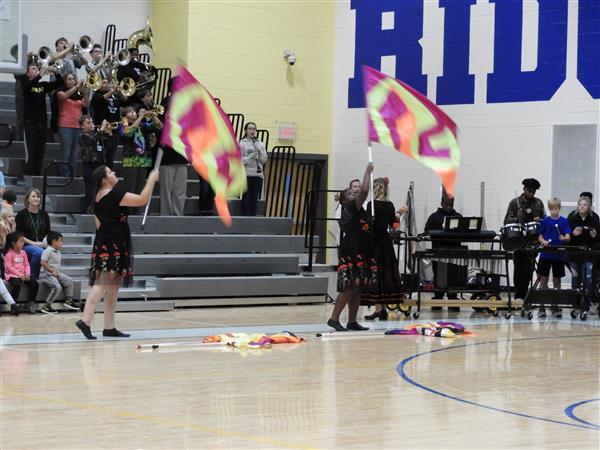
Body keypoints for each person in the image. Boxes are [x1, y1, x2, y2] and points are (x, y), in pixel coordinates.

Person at [75, 165, 159, 340]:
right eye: (111, 172)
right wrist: (151, 180)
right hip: (113, 243)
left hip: (105, 241)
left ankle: (109, 327)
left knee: (113, 287)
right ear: (105, 179)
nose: (114, 173)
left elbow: (98, 223)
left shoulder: (97, 197)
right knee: (101, 285)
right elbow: (143, 199)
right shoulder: (114, 195)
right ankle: (85, 321)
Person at [327, 163, 375, 332]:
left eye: (352, 191)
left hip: (361, 248)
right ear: (344, 199)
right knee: (349, 287)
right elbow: (364, 191)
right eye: (349, 192)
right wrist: (367, 172)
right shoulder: (350, 207)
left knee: (358, 286)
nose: (353, 192)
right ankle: (333, 319)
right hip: (352, 249)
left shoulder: (357, 207)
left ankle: (352, 321)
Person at [363, 178, 406, 320]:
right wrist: (399, 214)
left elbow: (368, 225)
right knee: (383, 273)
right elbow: (393, 225)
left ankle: (379, 309)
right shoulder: (389, 205)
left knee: (375, 273)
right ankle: (380, 310)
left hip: (374, 242)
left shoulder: (371, 205)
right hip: (385, 242)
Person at [504, 178, 546, 300]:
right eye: (529, 190)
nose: (532, 193)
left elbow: (544, 218)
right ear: (524, 189)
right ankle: (518, 295)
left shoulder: (538, 203)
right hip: (518, 241)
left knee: (529, 269)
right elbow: (506, 220)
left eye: (534, 191)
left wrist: (539, 220)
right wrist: (517, 218)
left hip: (532, 241)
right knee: (519, 270)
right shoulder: (514, 202)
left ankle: (526, 295)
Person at [20, 63, 63, 175]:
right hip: (30, 124)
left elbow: (60, 83)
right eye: (33, 68)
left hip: (42, 124)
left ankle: (36, 178)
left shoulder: (42, 85)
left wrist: (56, 72)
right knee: (31, 153)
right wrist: (41, 74)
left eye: (37, 68)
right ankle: (28, 177)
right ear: (28, 73)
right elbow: (29, 87)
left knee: (40, 153)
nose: (37, 70)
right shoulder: (25, 84)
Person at [424, 192, 463, 312]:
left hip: (454, 252)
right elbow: (427, 231)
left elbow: (463, 232)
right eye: (447, 204)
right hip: (438, 251)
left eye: (451, 204)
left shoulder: (458, 216)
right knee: (438, 274)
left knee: (454, 276)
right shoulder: (434, 217)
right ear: (441, 204)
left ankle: (453, 298)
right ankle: (438, 298)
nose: (449, 207)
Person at [158, 79, 189, 216]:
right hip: (167, 155)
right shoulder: (165, 103)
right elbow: (160, 126)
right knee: (166, 191)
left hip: (182, 155)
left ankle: (178, 218)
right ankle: (166, 218)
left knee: (180, 191)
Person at [118, 106, 157, 213]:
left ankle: (137, 213)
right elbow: (128, 133)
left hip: (143, 161)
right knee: (130, 189)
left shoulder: (142, 125)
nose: (133, 113)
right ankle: (128, 213)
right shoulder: (123, 125)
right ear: (124, 116)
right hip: (131, 161)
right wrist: (140, 117)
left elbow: (158, 126)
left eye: (134, 111)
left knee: (139, 190)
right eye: (129, 112)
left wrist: (153, 116)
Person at [537, 197, 571, 318]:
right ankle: (541, 307)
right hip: (545, 254)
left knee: (557, 281)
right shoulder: (545, 221)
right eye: (551, 209)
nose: (553, 211)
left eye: (555, 209)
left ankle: (555, 306)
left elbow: (568, 236)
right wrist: (544, 241)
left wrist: (564, 238)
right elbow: (540, 236)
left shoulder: (564, 221)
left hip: (558, 255)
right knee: (543, 281)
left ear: (559, 208)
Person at [56, 73, 90, 177]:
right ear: (65, 81)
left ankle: (72, 175)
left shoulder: (78, 94)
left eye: (73, 79)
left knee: (74, 154)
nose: (72, 81)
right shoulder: (60, 91)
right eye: (69, 79)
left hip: (78, 126)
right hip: (65, 125)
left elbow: (86, 104)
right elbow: (64, 97)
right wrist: (76, 86)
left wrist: (85, 92)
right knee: (65, 152)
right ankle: (64, 175)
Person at [15, 188, 51, 279]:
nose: (36, 198)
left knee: (54, 250)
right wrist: (34, 243)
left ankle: (51, 277)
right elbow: (19, 235)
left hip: (42, 243)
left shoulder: (44, 214)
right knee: (39, 252)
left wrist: (46, 240)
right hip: (26, 244)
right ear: (28, 199)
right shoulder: (21, 214)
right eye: (33, 196)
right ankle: (32, 278)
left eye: (38, 197)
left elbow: (48, 232)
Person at [90, 78, 126, 168]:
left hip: (114, 129)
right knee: (103, 154)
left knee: (111, 155)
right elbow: (101, 100)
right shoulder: (96, 95)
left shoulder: (113, 96)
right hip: (102, 130)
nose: (107, 84)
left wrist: (120, 91)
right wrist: (112, 90)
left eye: (108, 83)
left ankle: (110, 172)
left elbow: (125, 99)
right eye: (104, 83)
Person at [567, 196, 599, 294]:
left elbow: (598, 238)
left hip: (588, 255)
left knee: (588, 279)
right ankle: (575, 305)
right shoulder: (572, 218)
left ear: (589, 206)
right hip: (574, 254)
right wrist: (573, 234)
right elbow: (566, 237)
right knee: (575, 279)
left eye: (585, 205)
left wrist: (595, 236)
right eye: (580, 204)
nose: (582, 207)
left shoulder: (594, 219)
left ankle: (586, 304)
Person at [39, 231, 76, 314]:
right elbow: (43, 262)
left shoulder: (58, 251)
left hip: (55, 274)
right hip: (46, 274)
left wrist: (56, 272)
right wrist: (52, 270)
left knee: (69, 280)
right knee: (57, 287)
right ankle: (46, 306)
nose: (62, 243)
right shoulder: (48, 251)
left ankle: (68, 301)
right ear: (54, 241)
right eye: (60, 241)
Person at [79, 115, 110, 212]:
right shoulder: (83, 136)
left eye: (92, 122)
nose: (92, 124)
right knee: (90, 191)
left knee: (101, 191)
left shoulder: (98, 135)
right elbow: (91, 140)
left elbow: (109, 146)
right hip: (89, 167)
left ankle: (99, 211)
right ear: (82, 127)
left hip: (100, 166)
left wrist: (108, 133)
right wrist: (101, 129)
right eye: (88, 123)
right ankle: (86, 211)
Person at [4, 231, 39, 313]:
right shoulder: (9, 254)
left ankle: (30, 303)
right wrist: (20, 275)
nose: (23, 243)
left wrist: (27, 274)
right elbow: (9, 267)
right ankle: (13, 305)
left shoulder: (23, 253)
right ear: (13, 243)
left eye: (23, 241)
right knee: (16, 285)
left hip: (24, 274)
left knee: (35, 284)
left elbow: (27, 264)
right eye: (21, 241)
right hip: (12, 275)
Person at [240, 122, 268, 216]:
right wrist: (249, 158)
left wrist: (259, 152)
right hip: (246, 174)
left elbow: (264, 160)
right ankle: (245, 218)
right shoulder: (241, 144)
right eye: (250, 128)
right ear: (245, 130)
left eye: (254, 129)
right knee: (246, 198)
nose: (252, 131)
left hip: (258, 174)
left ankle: (252, 218)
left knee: (254, 198)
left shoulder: (260, 144)